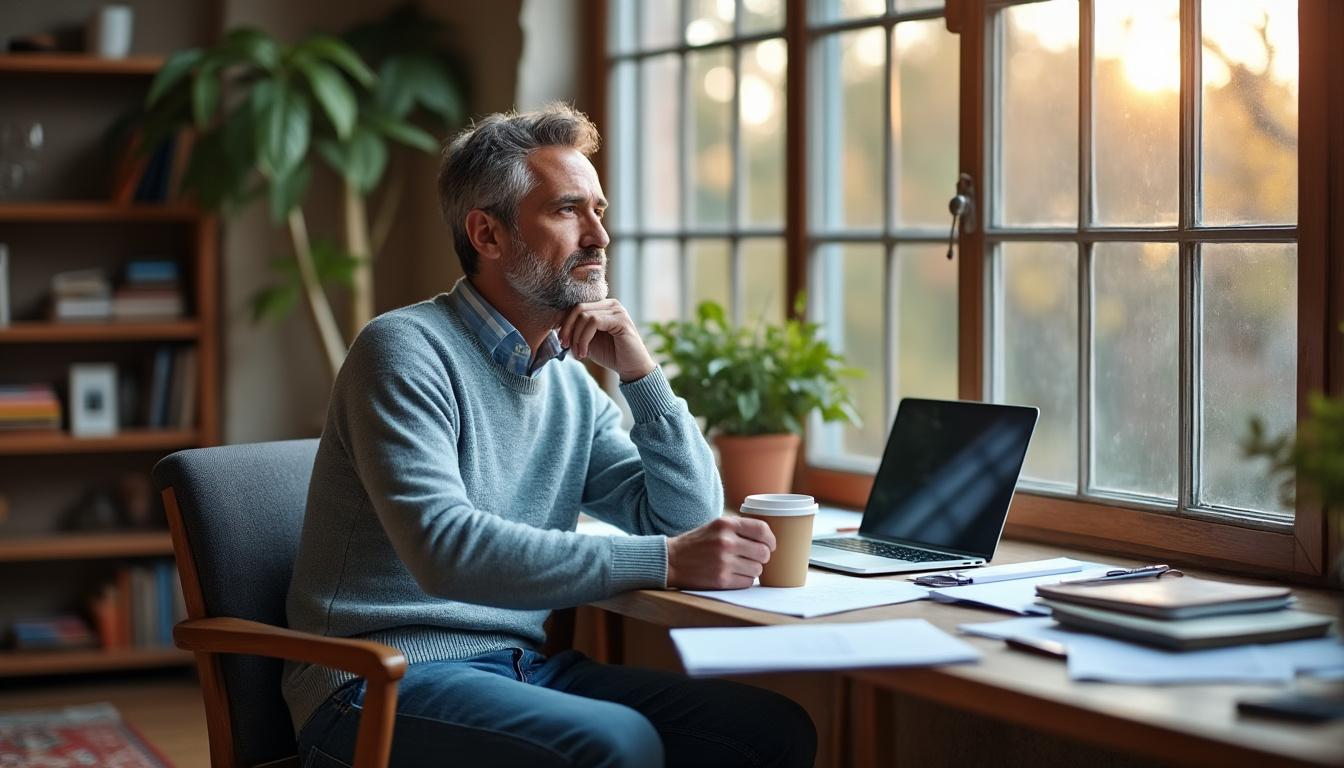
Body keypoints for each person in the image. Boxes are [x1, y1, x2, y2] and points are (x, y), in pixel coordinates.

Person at [283, 103, 818, 768]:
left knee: (771, 730)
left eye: (600, 210)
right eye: (569, 210)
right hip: (375, 681)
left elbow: (686, 514)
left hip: (517, 668)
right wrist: (667, 561)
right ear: (488, 234)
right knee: (615, 745)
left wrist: (641, 373)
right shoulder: (403, 350)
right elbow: (444, 550)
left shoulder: (566, 383)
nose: (599, 236)